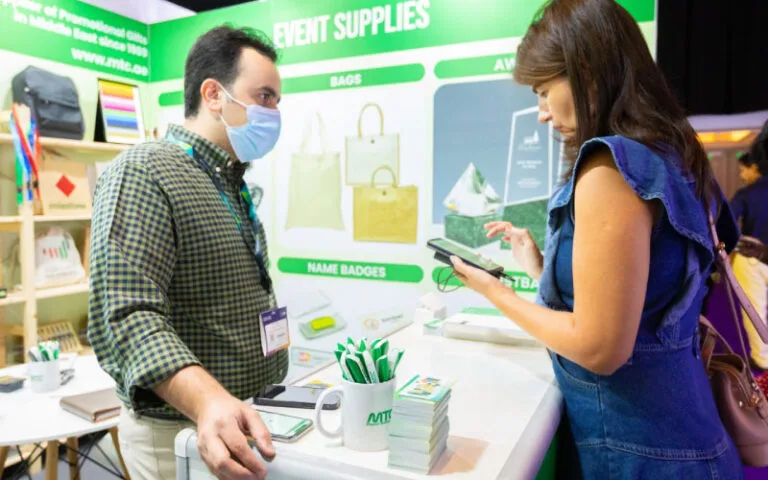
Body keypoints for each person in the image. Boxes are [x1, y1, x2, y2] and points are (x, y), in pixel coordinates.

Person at [449, 0, 743, 477]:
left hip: (643, 454)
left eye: (544, 91)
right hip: (683, 442)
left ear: (585, 70)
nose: (542, 113)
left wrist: (494, 291)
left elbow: (601, 347)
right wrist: (540, 267)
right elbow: (638, 304)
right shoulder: (672, 154)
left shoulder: (611, 168)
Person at [88, 26, 287, 480]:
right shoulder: (144, 171)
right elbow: (127, 314)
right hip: (182, 431)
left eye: (277, 101)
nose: (274, 113)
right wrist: (207, 401)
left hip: (242, 418)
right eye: (264, 96)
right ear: (214, 94)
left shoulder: (228, 180)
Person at [731, 124, 768, 368]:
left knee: (755, 311)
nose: (742, 174)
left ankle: (763, 361)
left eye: (743, 169)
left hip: (751, 258)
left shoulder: (746, 194)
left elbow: (726, 223)